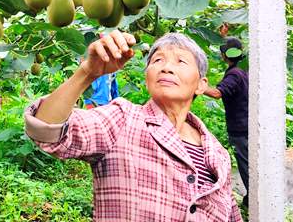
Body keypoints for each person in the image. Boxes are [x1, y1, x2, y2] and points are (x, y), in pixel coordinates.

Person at [24, 30, 243, 221]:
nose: (166, 67)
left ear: (201, 85)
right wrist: (87, 73)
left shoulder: (217, 153)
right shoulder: (122, 119)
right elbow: (46, 130)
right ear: (147, 78)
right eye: (157, 60)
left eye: (180, 62)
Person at [203, 37, 249, 208]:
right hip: (248, 124)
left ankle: (253, 199)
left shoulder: (235, 74)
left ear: (224, 55)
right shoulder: (245, 70)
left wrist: (195, 85)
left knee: (245, 165)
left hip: (240, 128)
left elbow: (217, 93)